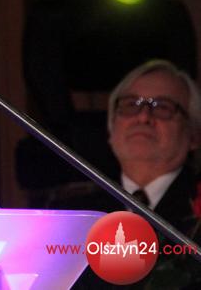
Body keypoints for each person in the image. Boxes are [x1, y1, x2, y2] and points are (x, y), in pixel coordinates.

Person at [56, 59, 201, 289]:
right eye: (131, 105)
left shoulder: (196, 209)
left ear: (193, 135)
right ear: (111, 129)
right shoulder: (71, 213)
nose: (143, 117)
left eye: (162, 107)